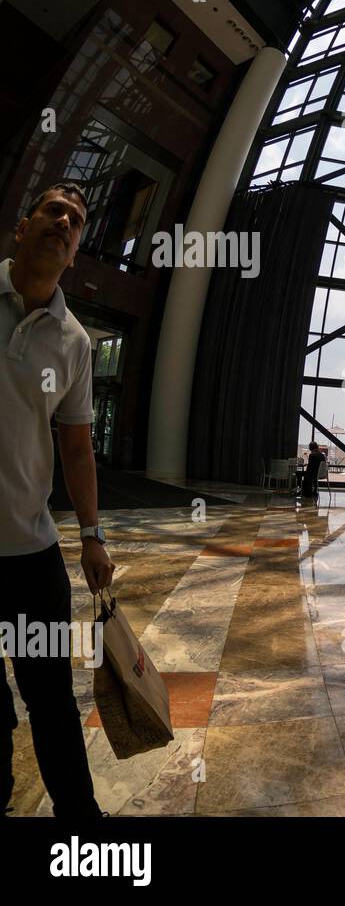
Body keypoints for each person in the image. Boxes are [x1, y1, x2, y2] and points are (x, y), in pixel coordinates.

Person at [1, 182, 105, 817]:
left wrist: (92, 534)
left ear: (74, 255)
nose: (64, 223)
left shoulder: (74, 342)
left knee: (52, 699)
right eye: (53, 211)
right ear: (22, 226)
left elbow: (76, 449)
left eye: (75, 222)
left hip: (31, 555)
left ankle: (83, 824)